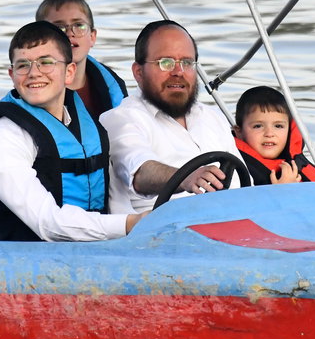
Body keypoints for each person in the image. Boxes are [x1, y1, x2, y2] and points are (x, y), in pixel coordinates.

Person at [0, 21, 139, 241]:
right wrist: (131, 223)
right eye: (22, 65)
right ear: (12, 75)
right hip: (14, 263)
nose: (33, 73)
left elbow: (118, 204)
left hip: (87, 254)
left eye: (46, 62)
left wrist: (140, 225)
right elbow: (48, 223)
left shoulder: (87, 127)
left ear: (69, 72)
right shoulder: (3, 137)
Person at [100, 20, 245, 213]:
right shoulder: (119, 120)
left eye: (186, 62)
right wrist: (186, 178)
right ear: (138, 72)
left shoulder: (212, 117)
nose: (178, 72)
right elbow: (141, 173)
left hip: (232, 223)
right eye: (165, 63)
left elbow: (244, 185)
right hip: (158, 234)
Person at [233, 85, 315, 197]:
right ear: (239, 131)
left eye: (278, 126)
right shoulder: (236, 167)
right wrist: (284, 190)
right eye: (258, 126)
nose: (269, 134)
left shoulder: (297, 160)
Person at [35, 0, 128, 120]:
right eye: (59, 28)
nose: (69, 33)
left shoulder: (112, 84)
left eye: (79, 25)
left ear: (92, 37)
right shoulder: (33, 88)